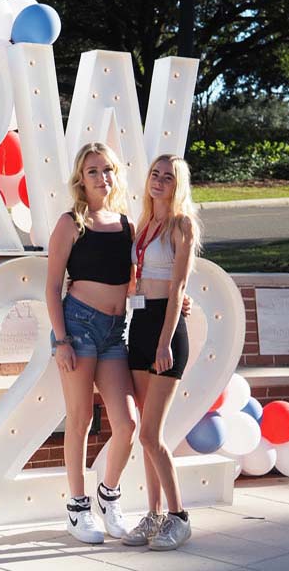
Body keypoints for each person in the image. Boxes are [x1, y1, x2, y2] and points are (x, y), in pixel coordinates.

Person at [46, 142, 137, 544]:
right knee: (80, 419)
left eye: (107, 170)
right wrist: (61, 340)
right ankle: (78, 508)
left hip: (115, 331)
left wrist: (176, 299)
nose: (102, 177)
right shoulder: (71, 223)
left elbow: (135, 283)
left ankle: (109, 495)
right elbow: (51, 286)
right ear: (81, 180)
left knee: (127, 424)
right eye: (93, 171)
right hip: (78, 327)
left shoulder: (126, 225)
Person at [122, 154, 201, 551]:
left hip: (165, 331)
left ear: (177, 185)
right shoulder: (143, 224)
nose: (159, 181)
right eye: (155, 173)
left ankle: (179, 516)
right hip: (139, 326)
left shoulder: (180, 226)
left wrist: (165, 340)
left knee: (152, 434)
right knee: (144, 437)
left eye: (167, 177)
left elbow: (178, 288)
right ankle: (153, 516)